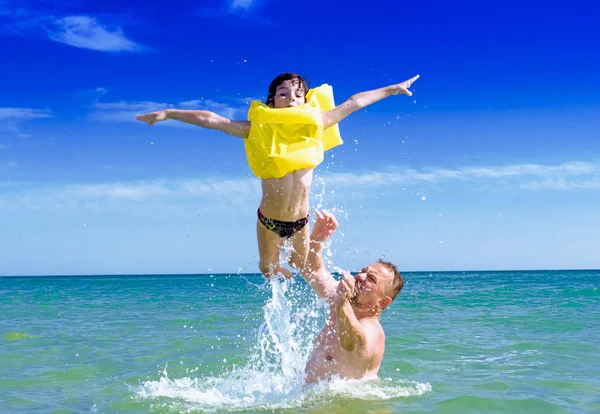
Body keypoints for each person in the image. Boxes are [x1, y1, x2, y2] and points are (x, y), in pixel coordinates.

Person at [136, 73, 419, 279]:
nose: (291, 97)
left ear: (306, 100)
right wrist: (169, 113)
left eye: (298, 94)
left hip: (300, 222)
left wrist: (392, 89)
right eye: (283, 93)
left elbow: (354, 102)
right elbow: (214, 120)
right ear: (273, 100)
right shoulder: (255, 128)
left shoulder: (317, 124)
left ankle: (318, 244)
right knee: (267, 269)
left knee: (301, 266)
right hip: (268, 221)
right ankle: (276, 270)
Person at [300, 209, 404, 384]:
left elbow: (352, 343)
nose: (361, 277)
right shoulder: (343, 299)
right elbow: (313, 270)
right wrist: (317, 240)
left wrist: (341, 303)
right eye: (364, 271)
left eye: (371, 279)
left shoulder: (373, 330)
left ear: (382, 302)